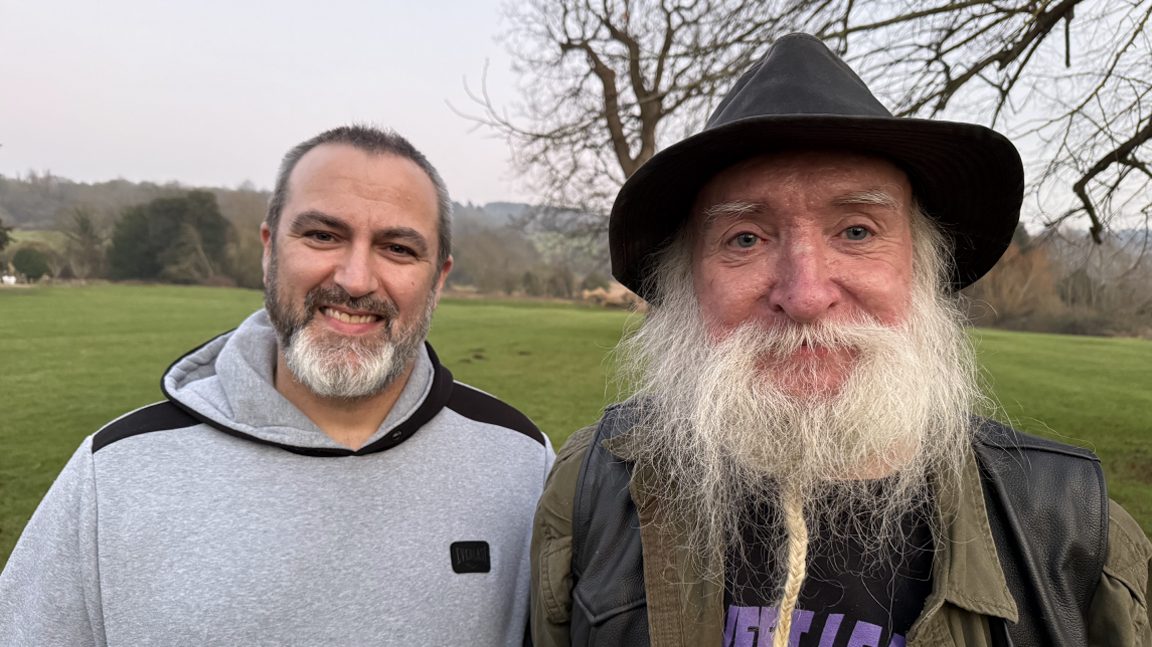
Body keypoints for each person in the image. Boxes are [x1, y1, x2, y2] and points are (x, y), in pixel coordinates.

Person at [531, 34, 1150, 647]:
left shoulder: (1073, 529)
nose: (804, 295)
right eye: (745, 238)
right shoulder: (594, 491)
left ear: (922, 271)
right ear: (689, 282)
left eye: (856, 230)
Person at [0, 125, 554, 646]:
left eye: (398, 248)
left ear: (438, 281)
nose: (355, 280)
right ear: (269, 249)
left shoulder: (521, 463)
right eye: (322, 235)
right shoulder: (113, 473)